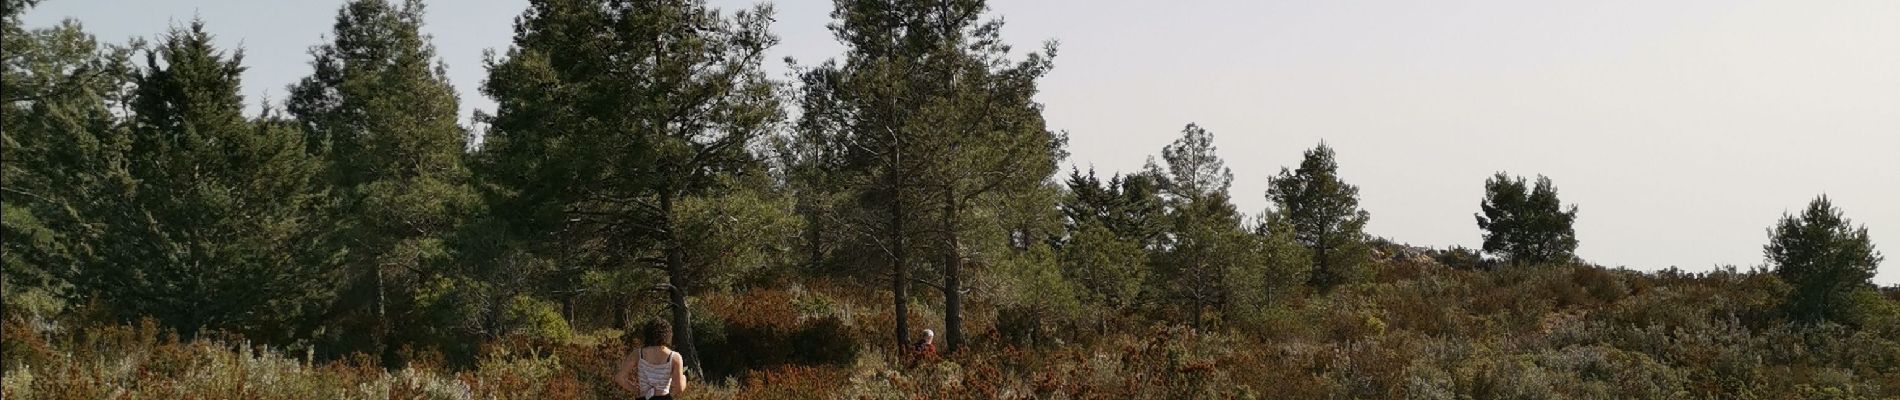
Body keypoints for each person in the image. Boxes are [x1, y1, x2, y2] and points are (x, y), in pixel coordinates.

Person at [616, 318, 686, 400]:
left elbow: (619, 378)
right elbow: (679, 388)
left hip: (644, 397)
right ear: (668, 335)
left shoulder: (637, 354)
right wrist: (683, 379)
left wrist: (635, 390)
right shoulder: (674, 357)